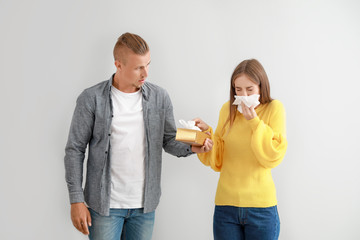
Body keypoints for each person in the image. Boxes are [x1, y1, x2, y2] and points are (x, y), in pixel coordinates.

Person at [64, 32, 211, 240]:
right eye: (138, 68)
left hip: (144, 207)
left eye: (148, 64)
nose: (146, 73)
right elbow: (74, 149)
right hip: (104, 206)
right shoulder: (91, 99)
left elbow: (169, 140)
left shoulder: (160, 97)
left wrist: (194, 146)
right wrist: (76, 200)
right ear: (118, 65)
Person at [194, 59, 287, 240]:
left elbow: (273, 155)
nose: (243, 95)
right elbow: (219, 156)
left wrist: (253, 121)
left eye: (249, 89)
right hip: (226, 207)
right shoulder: (227, 110)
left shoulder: (274, 108)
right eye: (238, 90)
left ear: (261, 86)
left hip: (261, 209)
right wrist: (206, 136)